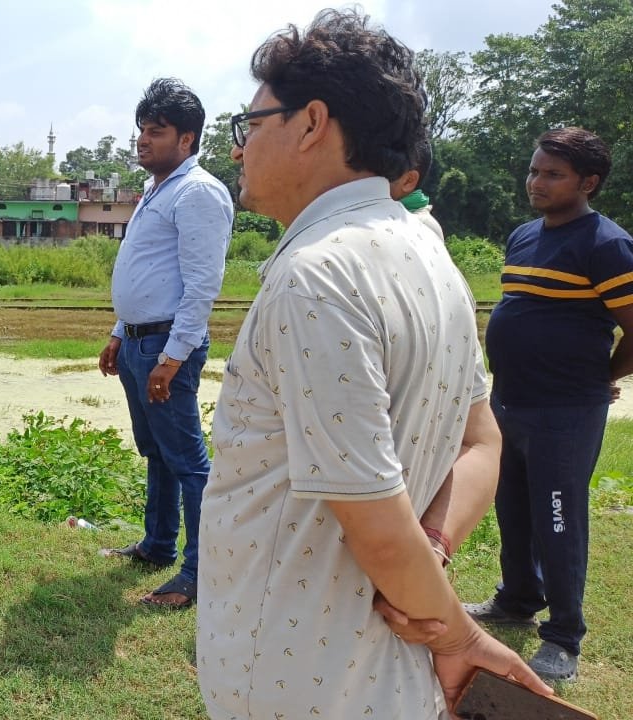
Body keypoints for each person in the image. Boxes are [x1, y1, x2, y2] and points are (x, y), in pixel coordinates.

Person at [197, 10, 551, 718]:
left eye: (250, 124)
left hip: (297, 672)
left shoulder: (316, 277)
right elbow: (482, 442)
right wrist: (434, 549)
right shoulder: (432, 259)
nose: (238, 150)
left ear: (311, 123)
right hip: (386, 670)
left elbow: (377, 522)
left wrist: (457, 632)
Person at [465, 127, 633, 683]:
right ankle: (517, 599)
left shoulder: (606, 244)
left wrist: (600, 377)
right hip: (510, 401)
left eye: (553, 175)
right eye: (534, 170)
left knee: (558, 520)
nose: (536, 182)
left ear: (588, 182)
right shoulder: (524, 236)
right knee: (512, 509)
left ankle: (563, 636)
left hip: (565, 412)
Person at [97, 78, 232, 609]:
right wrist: (119, 333)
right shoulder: (158, 189)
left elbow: (202, 285)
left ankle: (199, 571)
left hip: (165, 347)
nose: (143, 140)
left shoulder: (198, 192)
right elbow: (148, 271)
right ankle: (157, 545)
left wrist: (173, 357)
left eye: (156, 131)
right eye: (141, 130)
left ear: (187, 139)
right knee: (155, 450)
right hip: (139, 342)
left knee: (187, 460)